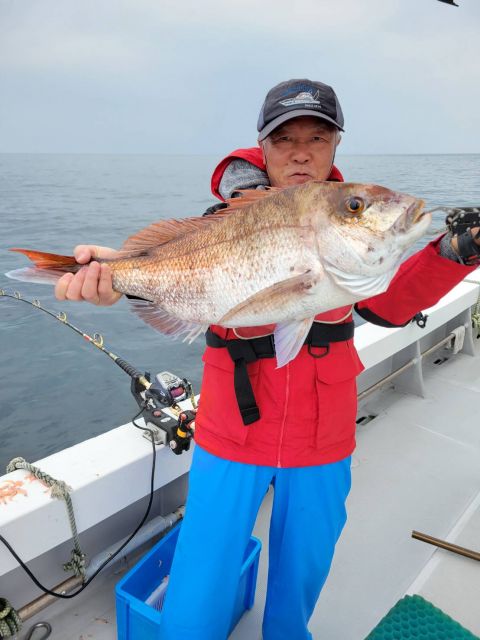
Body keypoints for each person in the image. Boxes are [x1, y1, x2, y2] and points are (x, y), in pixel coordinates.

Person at [55, 79, 480, 640]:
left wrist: (452, 254)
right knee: (201, 572)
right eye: (285, 139)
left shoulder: (343, 221)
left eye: (317, 137)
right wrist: (120, 275)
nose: (301, 152)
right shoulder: (225, 219)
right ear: (263, 146)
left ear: (336, 144)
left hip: (323, 431)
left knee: (303, 569)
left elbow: (386, 305)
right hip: (232, 427)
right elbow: (187, 275)